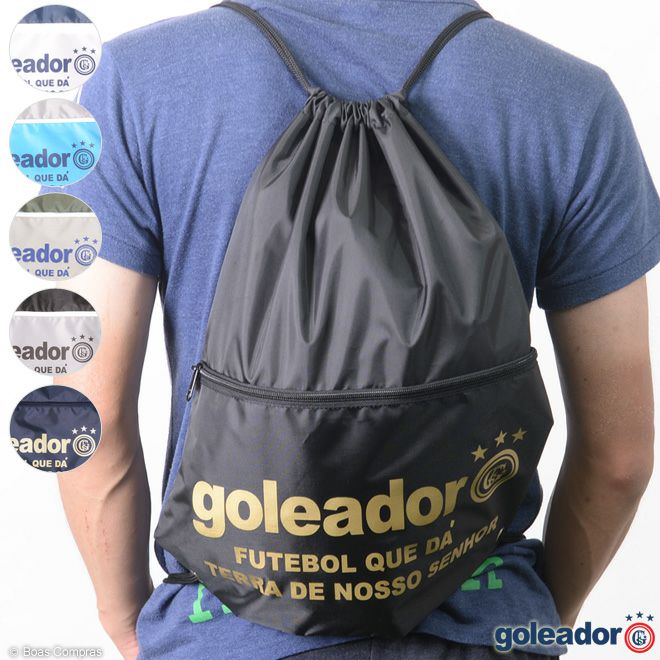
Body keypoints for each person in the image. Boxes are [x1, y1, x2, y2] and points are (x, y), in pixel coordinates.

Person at [53, 0, 659, 658]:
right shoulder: (568, 99)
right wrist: (530, 620)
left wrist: (129, 623)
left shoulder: (136, 82)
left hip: (222, 631)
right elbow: (619, 458)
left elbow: (90, 417)